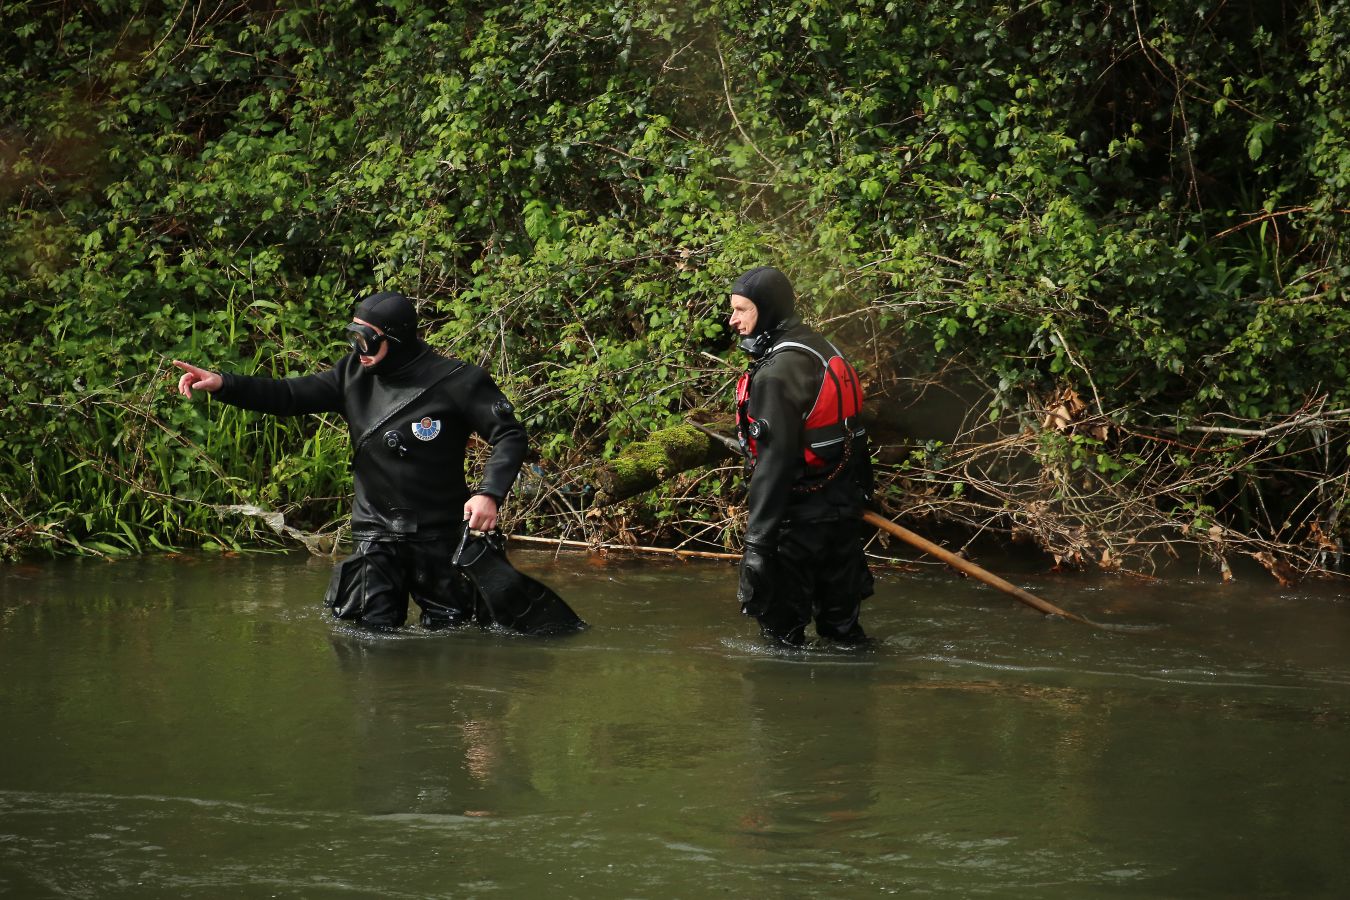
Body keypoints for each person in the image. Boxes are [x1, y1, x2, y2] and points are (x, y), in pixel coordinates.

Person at [173, 290, 528, 629]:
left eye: (367, 339)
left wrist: (489, 493)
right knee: (369, 638)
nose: (359, 349)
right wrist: (224, 384)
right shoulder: (352, 375)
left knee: (453, 635)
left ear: (397, 339)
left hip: (439, 537)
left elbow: (509, 435)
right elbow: (288, 395)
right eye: (353, 338)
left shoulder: (458, 381)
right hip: (374, 534)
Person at [729, 266, 874, 646]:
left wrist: (757, 547)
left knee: (781, 642)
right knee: (843, 635)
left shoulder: (775, 373)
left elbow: (773, 465)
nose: (734, 320)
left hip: (798, 525)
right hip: (843, 517)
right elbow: (855, 436)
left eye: (743, 310)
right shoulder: (823, 349)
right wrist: (859, 503)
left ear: (768, 308)